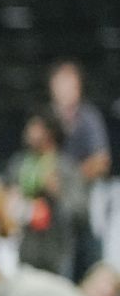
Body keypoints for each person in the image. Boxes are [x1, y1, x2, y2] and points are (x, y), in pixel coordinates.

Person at [6, 111, 85, 278]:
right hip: (26, 249)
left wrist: (58, 193)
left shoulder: (65, 168)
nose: (29, 131)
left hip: (56, 251)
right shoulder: (20, 164)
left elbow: (80, 213)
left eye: (36, 127)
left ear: (50, 132)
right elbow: (6, 201)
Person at [51, 61, 110, 279]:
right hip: (55, 213)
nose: (64, 89)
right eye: (60, 83)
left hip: (85, 206)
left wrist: (70, 178)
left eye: (69, 83)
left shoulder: (88, 117)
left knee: (90, 266)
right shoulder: (48, 117)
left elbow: (101, 160)